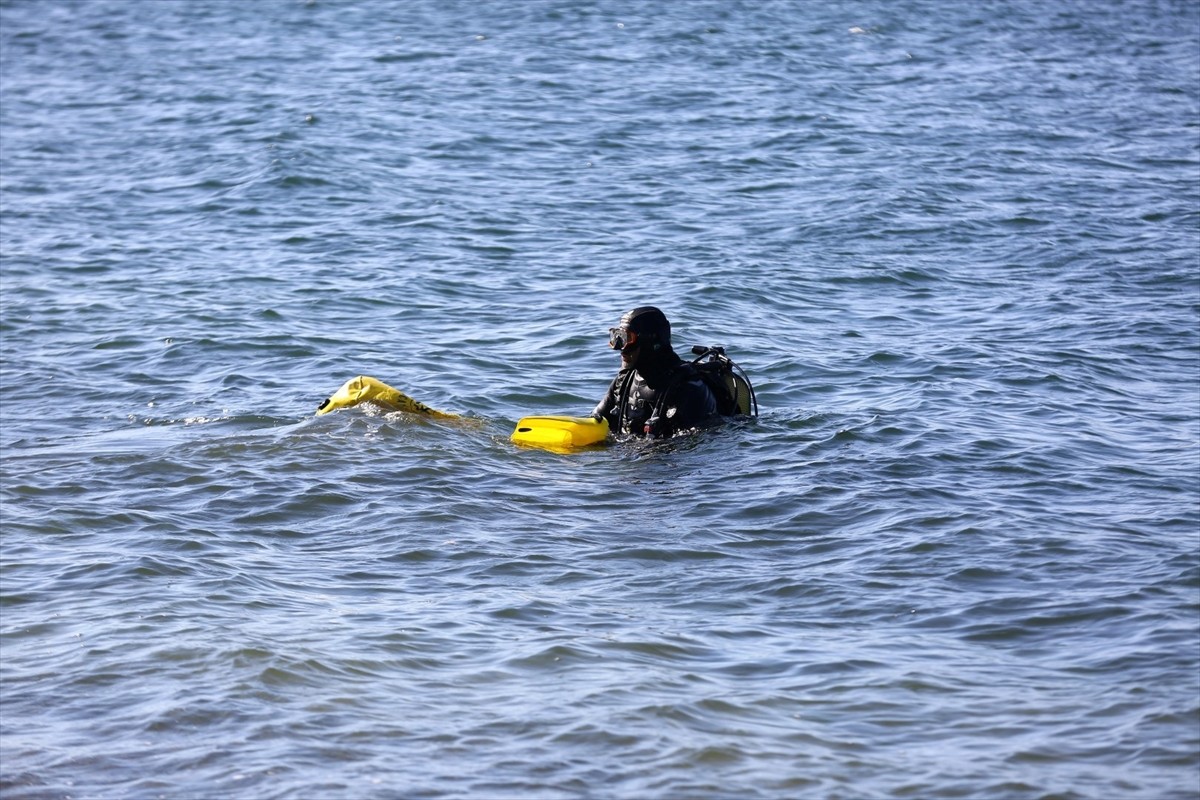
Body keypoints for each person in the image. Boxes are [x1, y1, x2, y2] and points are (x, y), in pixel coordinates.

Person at [592, 306, 720, 438]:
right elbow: (594, 421)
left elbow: (691, 443)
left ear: (651, 342)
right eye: (617, 337)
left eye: (627, 338)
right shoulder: (624, 381)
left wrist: (641, 449)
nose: (620, 348)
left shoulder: (688, 388)